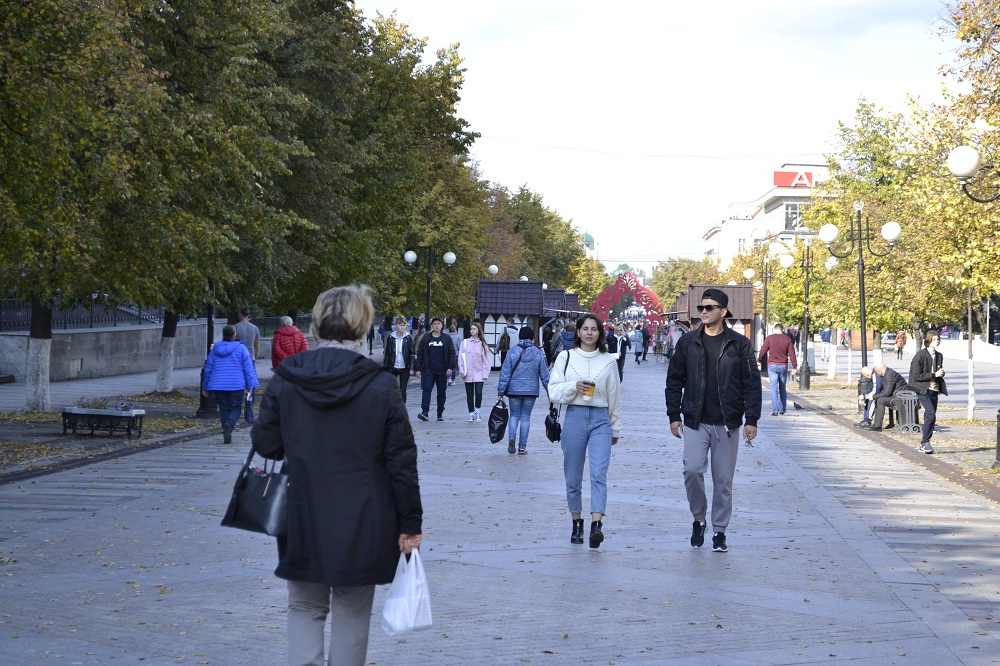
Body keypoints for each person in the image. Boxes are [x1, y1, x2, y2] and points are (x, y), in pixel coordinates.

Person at [250, 284, 422, 666]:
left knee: (304, 606)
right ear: (363, 326)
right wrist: (410, 522)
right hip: (365, 514)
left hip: (302, 508)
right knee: (352, 610)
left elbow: (265, 444)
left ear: (315, 324)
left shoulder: (287, 379)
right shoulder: (380, 384)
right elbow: (401, 461)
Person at [666, 288, 761, 554]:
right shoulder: (688, 342)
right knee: (692, 470)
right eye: (701, 308)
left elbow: (752, 383)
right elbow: (674, 380)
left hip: (728, 423)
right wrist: (674, 415)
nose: (703, 312)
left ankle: (719, 531)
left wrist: (751, 418)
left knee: (723, 481)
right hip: (696, 421)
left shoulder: (739, 344)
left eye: (709, 307)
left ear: (723, 311)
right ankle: (699, 519)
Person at [548, 314, 621, 548]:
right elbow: (553, 391)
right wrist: (574, 386)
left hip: (600, 419)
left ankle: (596, 525)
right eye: (585, 329)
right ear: (578, 332)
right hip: (574, 417)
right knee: (573, 476)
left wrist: (615, 427)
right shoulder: (565, 357)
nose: (589, 333)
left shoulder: (609, 360)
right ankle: (576, 521)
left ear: (600, 333)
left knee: (599, 473)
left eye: (594, 329)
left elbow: (614, 396)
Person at [201, 325, 259, 444]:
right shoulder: (241, 348)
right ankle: (229, 425)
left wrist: (205, 386)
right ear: (234, 335)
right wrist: (250, 386)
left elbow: (208, 368)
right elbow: (248, 369)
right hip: (236, 384)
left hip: (218, 384)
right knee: (235, 407)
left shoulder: (215, 349)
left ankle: (226, 429)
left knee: (223, 408)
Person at [498, 327, 550, 455]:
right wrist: (550, 393)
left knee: (514, 415)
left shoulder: (512, 352)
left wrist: (500, 392)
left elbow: (505, 373)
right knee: (526, 417)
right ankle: (522, 447)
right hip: (530, 391)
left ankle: (511, 437)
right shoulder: (537, 353)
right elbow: (544, 375)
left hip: (514, 391)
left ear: (520, 337)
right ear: (532, 337)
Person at [908, 331, 947, 454]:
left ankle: (924, 442)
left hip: (934, 389)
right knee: (931, 414)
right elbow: (916, 376)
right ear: (928, 340)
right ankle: (925, 442)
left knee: (929, 416)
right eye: (935, 339)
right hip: (922, 388)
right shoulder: (920, 355)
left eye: (938, 339)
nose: (937, 341)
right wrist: (934, 374)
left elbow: (937, 371)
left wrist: (941, 373)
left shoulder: (939, 355)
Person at [415, 317, 457, 421]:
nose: (437, 325)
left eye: (439, 323)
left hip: (442, 370)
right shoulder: (426, 338)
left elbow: (452, 353)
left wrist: (450, 367)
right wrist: (418, 368)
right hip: (428, 370)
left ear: (442, 325)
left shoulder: (446, 339)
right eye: (435, 324)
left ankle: (440, 413)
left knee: (441, 392)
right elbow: (420, 353)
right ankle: (425, 412)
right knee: (426, 390)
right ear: (432, 326)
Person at [757, 323, 797, 416]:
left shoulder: (769, 338)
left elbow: (763, 350)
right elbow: (792, 353)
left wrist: (759, 360)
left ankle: (775, 410)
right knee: (782, 387)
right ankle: (782, 409)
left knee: (773, 388)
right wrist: (794, 366)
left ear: (774, 330)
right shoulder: (787, 339)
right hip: (783, 365)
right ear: (782, 330)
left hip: (772, 365)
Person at [459, 321, 491, 422]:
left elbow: (486, 360)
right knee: (469, 394)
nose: (472, 331)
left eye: (474, 329)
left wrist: (485, 373)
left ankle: (477, 411)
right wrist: (462, 370)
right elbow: (461, 357)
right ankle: (471, 413)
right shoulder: (464, 343)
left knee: (478, 392)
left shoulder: (483, 344)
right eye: (471, 329)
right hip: (468, 372)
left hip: (479, 372)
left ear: (478, 331)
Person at [234, 307, 261, 423]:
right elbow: (257, 346)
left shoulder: (235, 327)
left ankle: (237, 404)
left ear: (240, 314)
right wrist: (256, 355)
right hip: (250, 358)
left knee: (238, 381)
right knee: (250, 384)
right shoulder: (254, 328)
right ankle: (249, 408)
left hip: (238, 358)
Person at [867, 362, 910, 431]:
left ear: (879, 372)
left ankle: (877, 425)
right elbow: (885, 390)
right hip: (897, 395)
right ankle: (876, 424)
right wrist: (874, 396)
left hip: (902, 398)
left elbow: (887, 392)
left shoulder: (890, 375)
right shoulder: (888, 373)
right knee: (879, 399)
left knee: (880, 400)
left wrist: (874, 397)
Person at [383, 316, 415, 404]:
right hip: (393, 366)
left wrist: (412, 368)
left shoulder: (408, 338)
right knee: (391, 387)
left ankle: (402, 407)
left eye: (404, 325)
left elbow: (412, 354)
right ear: (396, 325)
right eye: (400, 325)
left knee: (402, 388)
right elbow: (387, 354)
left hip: (405, 366)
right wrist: (385, 368)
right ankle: (392, 406)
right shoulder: (391, 338)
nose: (402, 327)